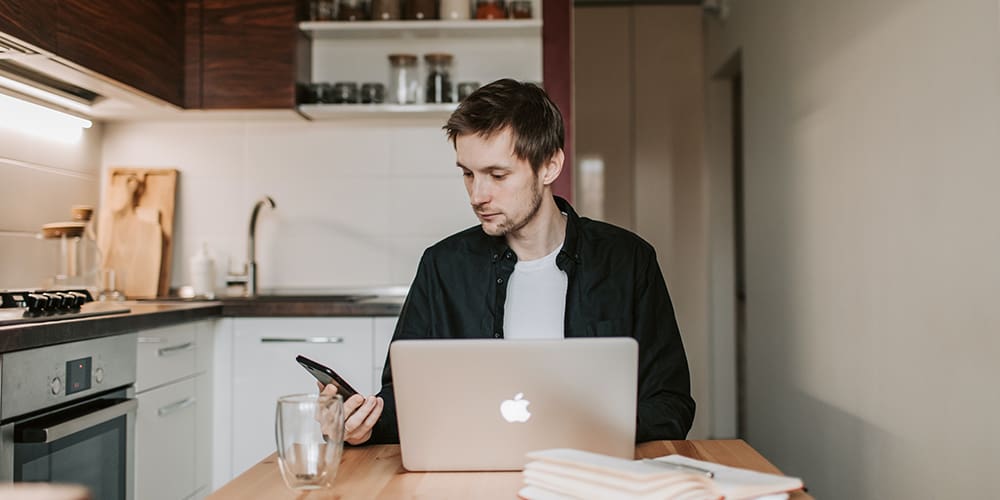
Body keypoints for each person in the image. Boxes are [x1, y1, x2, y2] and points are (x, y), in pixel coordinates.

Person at [321, 78, 695, 445]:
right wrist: (361, 424)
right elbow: (402, 399)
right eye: (468, 174)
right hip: (471, 475)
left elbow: (671, 404)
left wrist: (585, 426)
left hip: (590, 474)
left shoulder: (628, 261)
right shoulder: (442, 267)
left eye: (497, 175)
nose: (477, 195)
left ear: (549, 166)